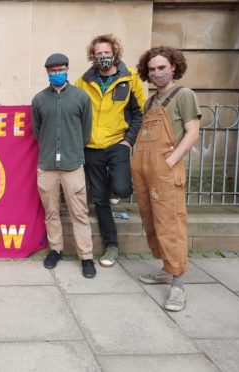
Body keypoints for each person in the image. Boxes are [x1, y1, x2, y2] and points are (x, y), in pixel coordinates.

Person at [133, 46, 201, 311]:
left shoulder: (184, 95)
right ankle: (165, 268)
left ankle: (178, 285)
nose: (157, 73)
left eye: (162, 67)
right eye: (152, 69)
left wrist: (170, 161)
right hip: (144, 169)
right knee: (152, 221)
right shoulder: (150, 101)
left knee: (170, 223)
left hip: (165, 170)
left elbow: (192, 132)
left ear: (173, 67)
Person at [75, 34, 146, 268]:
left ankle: (113, 186)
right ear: (92, 56)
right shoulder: (84, 81)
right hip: (91, 147)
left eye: (106, 53)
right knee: (101, 201)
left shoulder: (130, 78)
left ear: (114, 52)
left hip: (117, 143)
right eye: (98, 54)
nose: (103, 57)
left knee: (122, 188)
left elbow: (139, 113)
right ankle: (111, 245)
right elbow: (74, 110)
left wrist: (128, 141)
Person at [32, 53, 96, 278]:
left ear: (67, 69)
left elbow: (86, 131)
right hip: (47, 165)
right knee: (51, 212)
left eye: (60, 70)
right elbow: (37, 130)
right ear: (47, 72)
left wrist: (72, 149)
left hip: (73, 165)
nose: (56, 73)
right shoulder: (39, 99)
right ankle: (55, 250)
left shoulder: (81, 97)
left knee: (79, 212)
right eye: (52, 70)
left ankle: (86, 257)